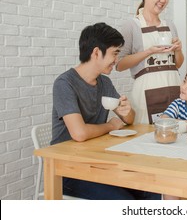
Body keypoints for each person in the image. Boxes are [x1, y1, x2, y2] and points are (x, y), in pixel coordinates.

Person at [51, 22, 160, 200]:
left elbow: (129, 120)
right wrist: (110, 126)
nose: (117, 60)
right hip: (68, 169)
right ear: (96, 53)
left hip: (97, 162)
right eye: (115, 53)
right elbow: (79, 134)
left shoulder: (104, 83)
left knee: (153, 190)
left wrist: (126, 111)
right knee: (125, 201)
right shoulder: (65, 83)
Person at [117, 0, 184, 124]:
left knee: (175, 133)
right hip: (146, 93)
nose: (163, 0)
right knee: (147, 138)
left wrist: (178, 50)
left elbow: (178, 64)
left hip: (174, 88)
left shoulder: (170, 25)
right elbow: (119, 64)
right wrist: (149, 51)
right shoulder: (131, 25)